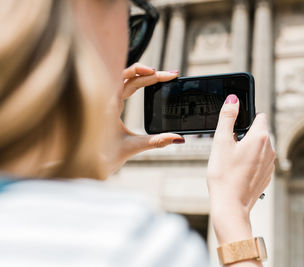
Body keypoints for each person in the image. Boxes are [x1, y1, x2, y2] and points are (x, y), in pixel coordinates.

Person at [0, 0, 275, 266]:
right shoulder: (139, 244)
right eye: (135, 22)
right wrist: (233, 213)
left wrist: (87, 164)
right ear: (89, 16)